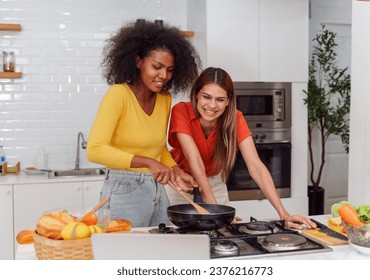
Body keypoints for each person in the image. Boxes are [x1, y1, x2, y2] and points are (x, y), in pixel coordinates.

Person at [166, 67, 316, 229]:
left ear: (229, 100)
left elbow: (256, 166)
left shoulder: (236, 118)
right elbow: (194, 160)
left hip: (215, 184)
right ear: (196, 94)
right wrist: (216, 212)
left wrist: (284, 214)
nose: (212, 105)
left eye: (220, 99)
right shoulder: (181, 111)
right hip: (181, 184)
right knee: (180, 241)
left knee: (219, 237)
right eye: (206, 97)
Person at [86, 20, 200, 227]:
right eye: (156, 67)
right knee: (124, 256)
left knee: (161, 253)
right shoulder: (118, 94)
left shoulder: (164, 99)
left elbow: (158, 148)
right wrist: (148, 162)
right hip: (123, 189)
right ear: (138, 62)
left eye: (170, 70)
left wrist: (175, 169)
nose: (163, 76)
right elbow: (94, 150)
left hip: (156, 189)